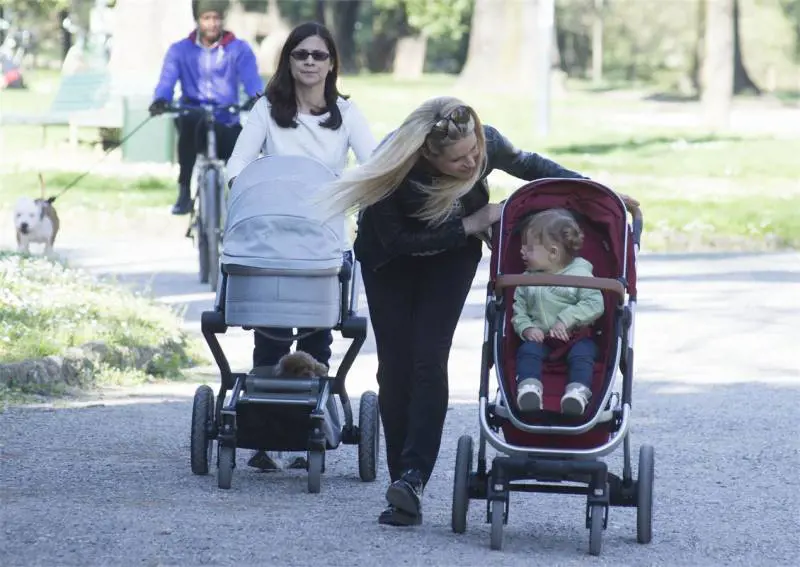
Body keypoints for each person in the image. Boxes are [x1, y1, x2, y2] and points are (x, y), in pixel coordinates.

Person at [320, 95, 640, 527]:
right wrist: (476, 220)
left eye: (475, 153)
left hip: (450, 260)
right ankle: (400, 478)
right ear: (429, 155)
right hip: (390, 261)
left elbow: (531, 167)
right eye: (458, 160)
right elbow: (399, 242)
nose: (472, 163)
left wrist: (597, 194)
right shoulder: (395, 166)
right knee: (395, 368)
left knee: (428, 359)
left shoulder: (484, 142)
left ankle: (411, 479)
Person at [225, 21, 376, 472]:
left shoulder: (346, 114)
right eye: (301, 54)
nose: (310, 62)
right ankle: (267, 432)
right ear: (288, 60)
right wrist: (244, 187)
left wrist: (347, 192)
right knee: (269, 337)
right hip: (272, 233)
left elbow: (372, 165)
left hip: (322, 236)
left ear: (332, 64)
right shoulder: (266, 110)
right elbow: (239, 161)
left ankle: (310, 425)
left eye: (318, 55)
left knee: (316, 336)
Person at [148, 0, 263, 215]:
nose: (212, 23)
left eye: (217, 18)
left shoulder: (238, 49)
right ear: (198, 20)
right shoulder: (180, 50)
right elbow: (166, 81)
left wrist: (257, 97)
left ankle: (240, 203)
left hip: (225, 118)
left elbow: (252, 80)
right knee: (188, 126)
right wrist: (161, 100)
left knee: (240, 157)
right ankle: (184, 191)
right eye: (207, 18)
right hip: (193, 117)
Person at [512, 208, 605, 415]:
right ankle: (529, 389)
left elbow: (594, 303)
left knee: (583, 355)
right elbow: (519, 310)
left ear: (553, 253)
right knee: (528, 351)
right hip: (542, 338)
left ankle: (577, 393)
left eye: (529, 248)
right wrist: (527, 328)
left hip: (576, 337)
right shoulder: (526, 280)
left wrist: (566, 319)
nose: (522, 252)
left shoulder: (580, 274)